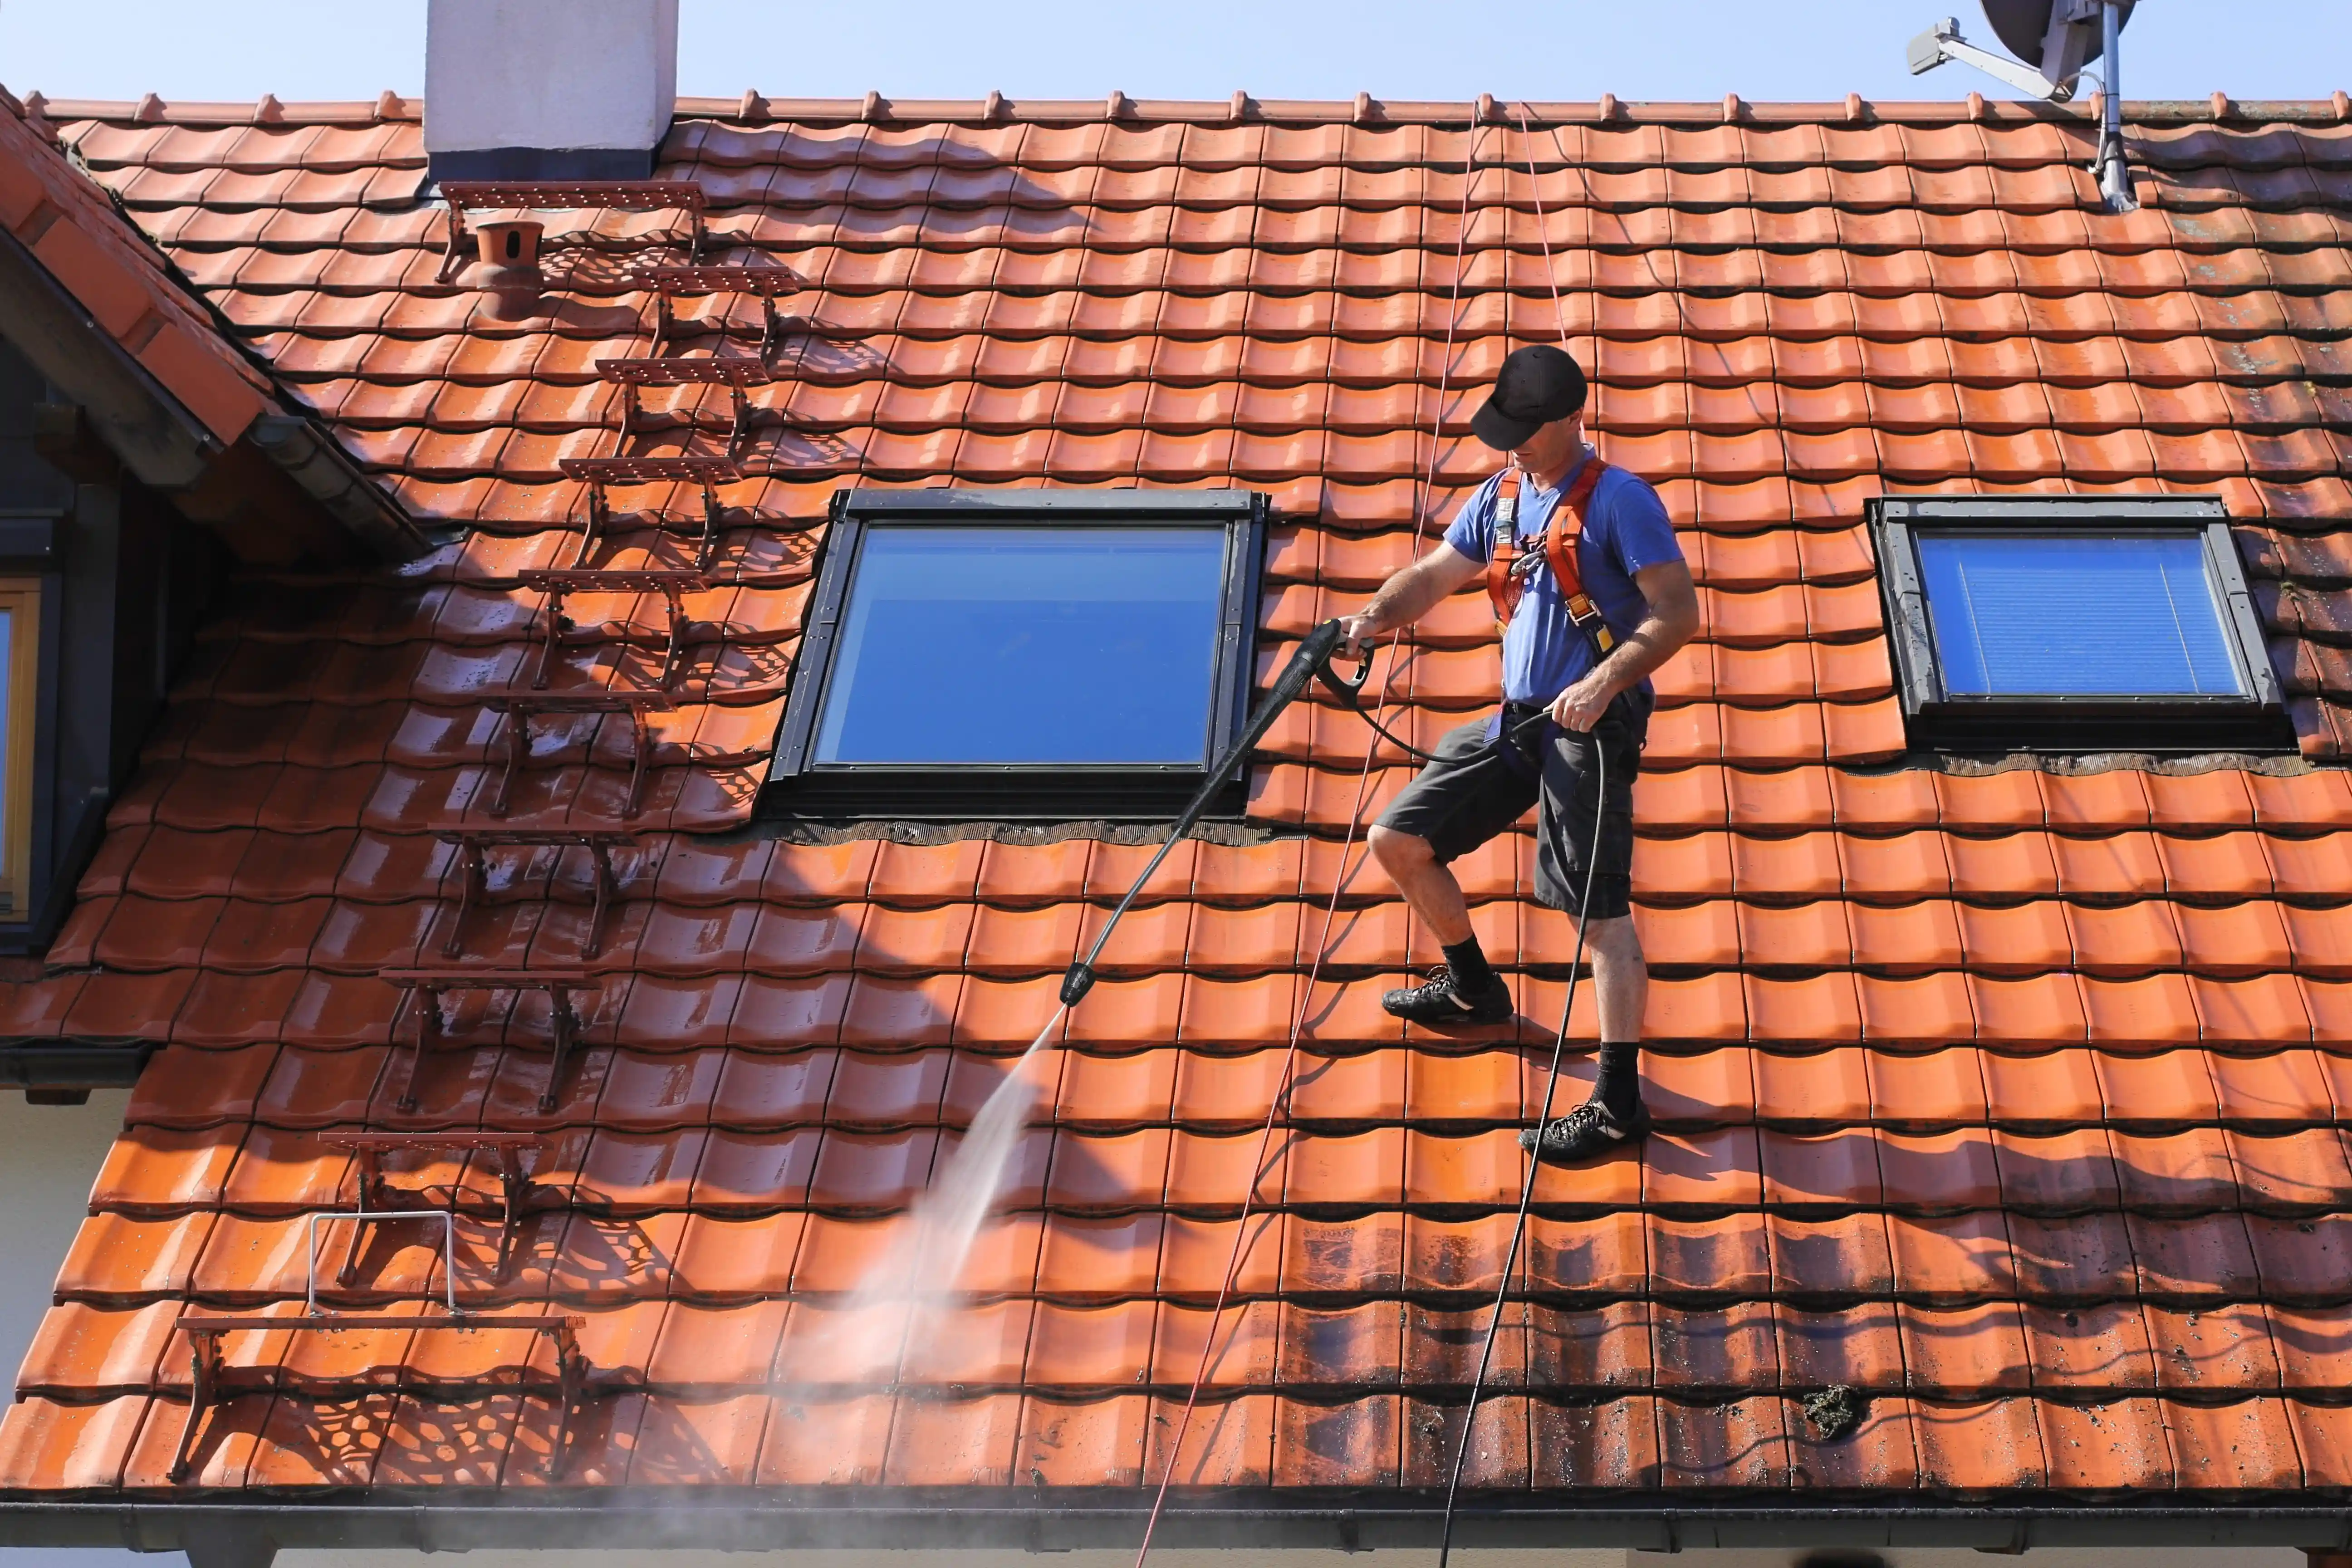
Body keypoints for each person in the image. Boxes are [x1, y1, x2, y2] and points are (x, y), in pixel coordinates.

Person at [1338, 344, 1699, 1164]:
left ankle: (1617, 1102)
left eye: (1529, 431)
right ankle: (1471, 984)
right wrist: (1372, 618)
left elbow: (1676, 613)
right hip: (1521, 718)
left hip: (1591, 729)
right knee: (1398, 838)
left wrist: (1605, 683)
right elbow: (1433, 576)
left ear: (1575, 416)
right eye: (1509, 431)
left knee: (1594, 915)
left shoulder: (1621, 502)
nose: (1516, 445)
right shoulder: (1502, 495)